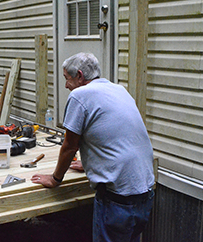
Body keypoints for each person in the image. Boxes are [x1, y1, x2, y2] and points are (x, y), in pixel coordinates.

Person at [31, 52, 155, 242]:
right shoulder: (118, 90)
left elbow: (70, 146)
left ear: (79, 76)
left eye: (67, 78)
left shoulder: (80, 95)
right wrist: (92, 163)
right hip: (144, 195)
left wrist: (55, 179)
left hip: (116, 201)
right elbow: (113, 135)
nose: (65, 85)